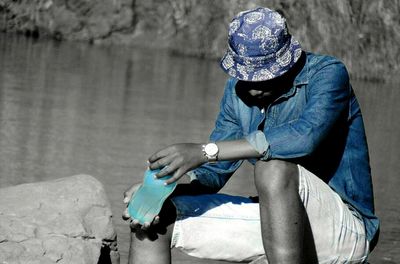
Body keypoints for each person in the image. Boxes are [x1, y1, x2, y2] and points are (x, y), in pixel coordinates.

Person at [123, 7, 379, 264]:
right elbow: (214, 175)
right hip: (277, 224)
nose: (253, 88)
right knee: (154, 221)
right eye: (246, 77)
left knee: (273, 168)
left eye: (264, 77)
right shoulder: (237, 92)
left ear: (287, 62)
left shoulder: (327, 74)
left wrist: (204, 151)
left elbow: (305, 137)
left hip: (344, 229)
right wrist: (157, 192)